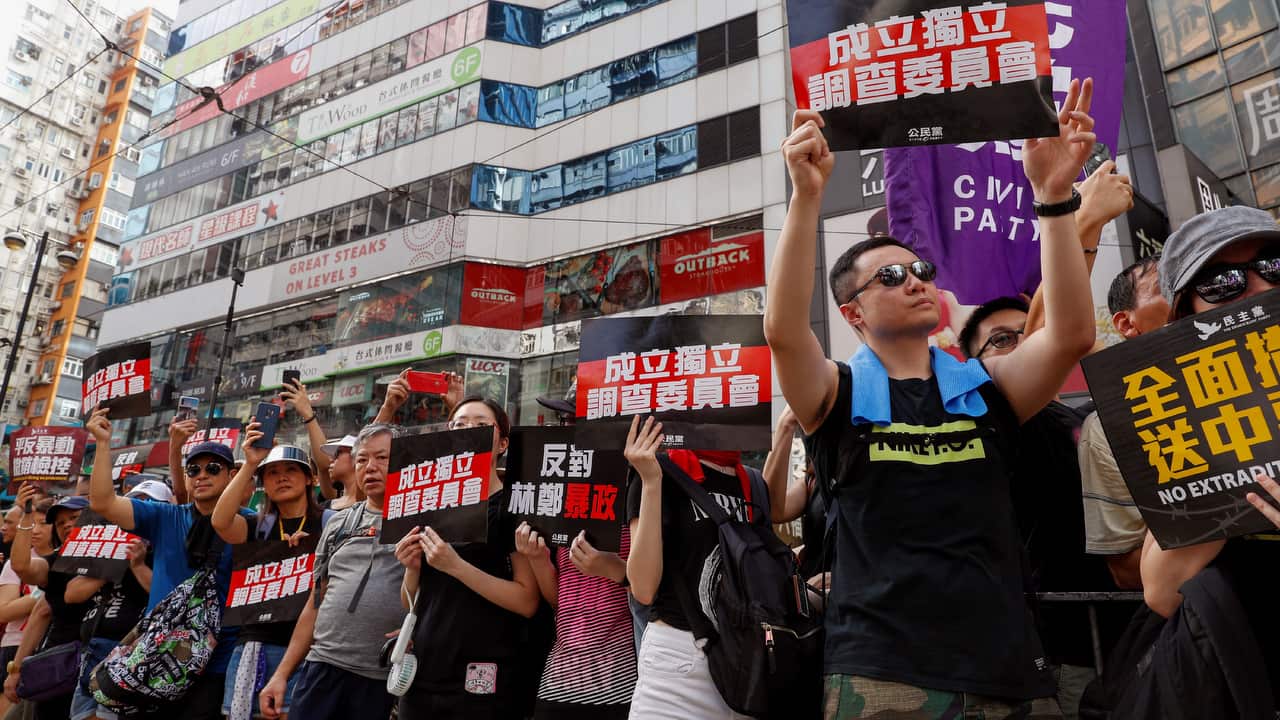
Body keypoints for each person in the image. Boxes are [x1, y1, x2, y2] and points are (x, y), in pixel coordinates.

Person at [764, 78, 1100, 718]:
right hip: (884, 678)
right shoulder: (838, 393)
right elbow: (782, 332)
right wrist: (806, 198)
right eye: (890, 275)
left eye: (920, 270)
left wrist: (1055, 199)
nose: (915, 280)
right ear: (852, 313)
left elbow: (1073, 336)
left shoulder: (985, 387)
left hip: (1008, 673)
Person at [960, 296, 1127, 719]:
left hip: (1130, 629)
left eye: (1028, 332)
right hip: (1064, 642)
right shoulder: (997, 424)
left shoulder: (1084, 418)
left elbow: (1139, 388)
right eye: (1002, 340)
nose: (1024, 344)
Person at [1139, 205, 1280, 703]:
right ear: (1184, 317)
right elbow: (1162, 591)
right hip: (1252, 673)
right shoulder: (1177, 416)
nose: (1259, 289)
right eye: (1223, 283)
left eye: (1274, 265)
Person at [86, 407, 251, 719]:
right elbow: (103, 502)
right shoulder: (165, 517)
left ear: (232, 476)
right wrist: (104, 444)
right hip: (157, 657)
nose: (202, 475)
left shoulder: (253, 525)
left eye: (213, 468)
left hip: (217, 661)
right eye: (194, 470)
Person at [395, 398, 540, 718]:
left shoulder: (512, 505)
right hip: (425, 669)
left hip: (484, 673)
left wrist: (457, 567)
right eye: (459, 424)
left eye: (480, 424)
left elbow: (527, 599)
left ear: (503, 442)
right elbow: (411, 604)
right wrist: (412, 569)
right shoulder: (428, 503)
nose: (468, 430)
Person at [625, 415, 770, 719]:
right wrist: (651, 481)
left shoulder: (753, 482)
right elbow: (643, 588)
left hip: (746, 663)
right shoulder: (658, 467)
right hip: (677, 664)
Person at [258, 423, 406, 720]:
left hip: (382, 678)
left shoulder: (426, 522)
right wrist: (282, 673)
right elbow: (315, 603)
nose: (371, 467)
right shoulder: (339, 523)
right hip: (321, 668)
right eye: (362, 459)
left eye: (383, 458)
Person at [213, 433, 327, 720]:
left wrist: (316, 546)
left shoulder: (329, 521)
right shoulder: (258, 526)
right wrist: (251, 463)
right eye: (272, 473)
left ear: (310, 478)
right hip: (251, 647)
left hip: (305, 650)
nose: (282, 478)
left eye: (291, 470)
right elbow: (220, 521)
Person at [1077, 256, 1168, 590]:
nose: (1185, 292)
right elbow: (1127, 572)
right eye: (1167, 285)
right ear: (1127, 323)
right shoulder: (1110, 429)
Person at [7, 486, 90, 720]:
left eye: (74, 518)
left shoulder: (126, 556)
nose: (66, 525)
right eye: (60, 522)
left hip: (100, 669)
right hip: (58, 671)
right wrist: (26, 515)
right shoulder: (56, 563)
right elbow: (22, 567)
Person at [0, 504, 51, 717]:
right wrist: (45, 592)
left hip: (51, 647)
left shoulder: (71, 560)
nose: (36, 530)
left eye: (44, 523)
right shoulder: (14, 564)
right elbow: (3, 611)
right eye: (31, 523)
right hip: (14, 645)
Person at [317, 436, 361, 512]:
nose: (331, 459)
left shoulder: (374, 505)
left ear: (356, 457)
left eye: (338, 453)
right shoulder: (323, 508)